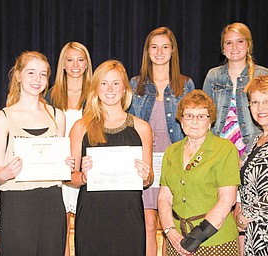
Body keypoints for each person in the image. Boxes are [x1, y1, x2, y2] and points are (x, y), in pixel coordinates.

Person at [0, 51, 74, 256]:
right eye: (31, 73)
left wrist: (66, 165)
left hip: (52, 201)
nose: (37, 80)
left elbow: (59, 167)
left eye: (43, 74)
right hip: (18, 204)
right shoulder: (2, 118)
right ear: (18, 75)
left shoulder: (57, 116)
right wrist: (6, 172)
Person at [69, 59, 153, 255]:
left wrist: (145, 175)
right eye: (104, 83)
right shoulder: (81, 127)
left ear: (125, 88)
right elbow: (69, 176)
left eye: (116, 83)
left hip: (128, 216)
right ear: (96, 88)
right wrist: (82, 176)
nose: (110, 89)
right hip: (92, 216)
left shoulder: (141, 128)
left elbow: (148, 180)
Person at [128, 26, 195, 256]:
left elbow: (194, 125)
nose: (159, 52)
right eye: (154, 47)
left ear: (173, 51)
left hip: (174, 159)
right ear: (147, 52)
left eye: (165, 47)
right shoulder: (135, 84)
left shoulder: (185, 84)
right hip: (144, 161)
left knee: (170, 224)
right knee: (147, 222)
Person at [202, 22, 268, 254]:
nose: (235, 47)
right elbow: (206, 115)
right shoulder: (213, 76)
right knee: (225, 212)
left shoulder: (262, 74)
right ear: (222, 48)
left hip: (253, 153)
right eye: (229, 42)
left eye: (240, 41)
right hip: (221, 153)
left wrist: (249, 155)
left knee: (248, 213)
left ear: (248, 44)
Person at [158, 90, 240, 255]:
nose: (194, 121)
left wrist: (195, 238)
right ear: (181, 120)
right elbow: (164, 198)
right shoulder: (171, 152)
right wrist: (170, 232)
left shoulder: (224, 149)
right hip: (176, 242)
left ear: (210, 121)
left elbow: (227, 200)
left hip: (215, 242)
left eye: (201, 116)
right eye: (188, 115)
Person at [47, 42, 92, 256]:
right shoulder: (49, 96)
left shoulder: (96, 96)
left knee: (87, 226)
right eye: (70, 59)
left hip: (87, 170)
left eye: (80, 60)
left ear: (86, 65)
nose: (75, 65)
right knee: (60, 226)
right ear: (63, 64)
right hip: (58, 170)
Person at [237, 75, 268, 255]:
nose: (260, 108)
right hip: (255, 233)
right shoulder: (257, 139)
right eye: (255, 102)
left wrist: (247, 215)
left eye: (266, 101)